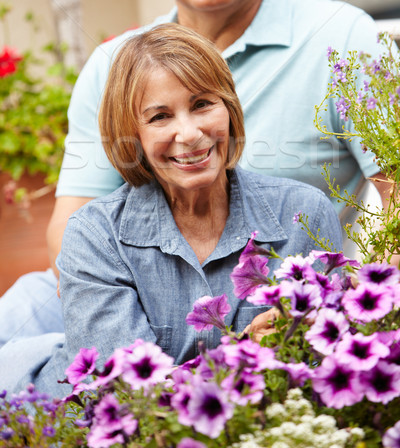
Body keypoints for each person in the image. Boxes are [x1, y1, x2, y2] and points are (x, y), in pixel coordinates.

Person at [0, 0, 389, 347]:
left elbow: (396, 189)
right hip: (128, 299)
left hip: (271, 305)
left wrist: (365, 306)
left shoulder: (345, 40)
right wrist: (124, 323)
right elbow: (73, 224)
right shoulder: (116, 63)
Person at [0, 23, 342, 397]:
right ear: (134, 135)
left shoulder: (303, 215)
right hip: (34, 399)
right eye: (160, 116)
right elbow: (130, 395)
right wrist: (249, 348)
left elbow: (321, 368)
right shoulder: (94, 234)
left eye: (202, 104)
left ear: (228, 109)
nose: (190, 133)